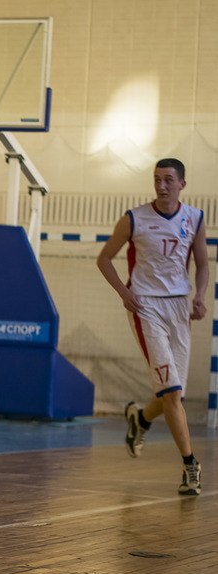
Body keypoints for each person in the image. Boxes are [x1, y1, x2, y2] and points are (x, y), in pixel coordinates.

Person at [97, 158, 207, 496]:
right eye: (157, 179)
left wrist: (200, 296)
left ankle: (141, 419)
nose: (161, 185)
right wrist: (123, 291)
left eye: (168, 179)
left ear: (182, 184)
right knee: (172, 393)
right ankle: (190, 465)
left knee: (174, 393)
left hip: (179, 307)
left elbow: (202, 264)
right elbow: (104, 259)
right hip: (146, 306)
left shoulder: (195, 218)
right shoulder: (134, 218)